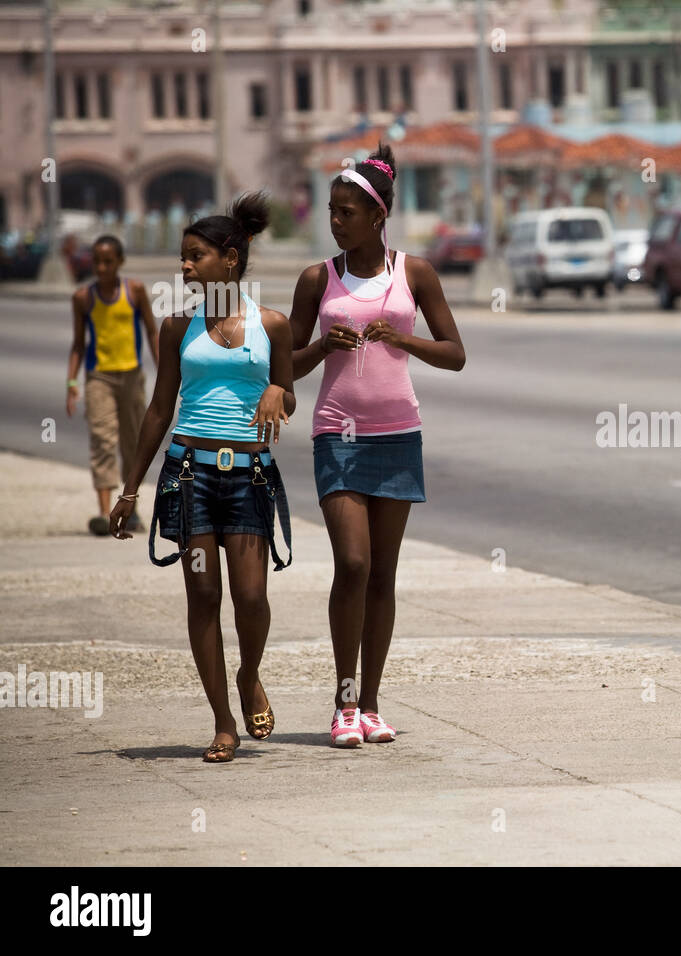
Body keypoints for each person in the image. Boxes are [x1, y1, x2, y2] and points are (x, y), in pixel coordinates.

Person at [108, 192, 296, 763]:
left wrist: (274, 389)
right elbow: (160, 408)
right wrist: (131, 487)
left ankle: (248, 675)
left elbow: (288, 396)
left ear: (231, 258)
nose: (184, 267)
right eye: (182, 258)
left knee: (252, 598)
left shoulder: (273, 325)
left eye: (195, 256)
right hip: (188, 477)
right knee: (204, 595)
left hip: (249, 477)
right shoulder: (175, 327)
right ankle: (221, 722)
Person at [289, 143, 465, 747]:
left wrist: (403, 341)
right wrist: (321, 347)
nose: (335, 222)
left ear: (377, 217)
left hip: (398, 435)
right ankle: (341, 704)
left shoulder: (414, 273)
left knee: (384, 576)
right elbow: (283, 365)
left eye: (346, 213)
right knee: (353, 565)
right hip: (337, 434)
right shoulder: (319, 278)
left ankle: (369, 705)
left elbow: (456, 354)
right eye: (332, 211)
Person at [66, 235, 160, 535]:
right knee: (102, 441)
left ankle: (130, 508)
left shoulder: (135, 290)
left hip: (132, 376)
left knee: (133, 443)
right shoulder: (83, 297)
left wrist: (166, 372)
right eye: (97, 261)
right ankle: (105, 512)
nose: (102, 267)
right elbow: (79, 345)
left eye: (108, 261)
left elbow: (152, 332)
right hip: (99, 378)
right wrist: (71, 382)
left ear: (120, 262)